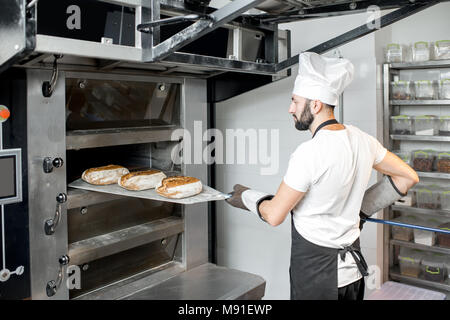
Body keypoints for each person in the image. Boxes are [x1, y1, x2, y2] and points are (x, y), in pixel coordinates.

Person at [225, 52, 419, 300]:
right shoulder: (362, 139)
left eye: (295, 101)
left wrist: (246, 197)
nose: (290, 109)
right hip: (353, 276)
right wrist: (359, 211)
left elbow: (274, 215)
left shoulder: (309, 153)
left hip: (316, 280)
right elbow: (408, 177)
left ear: (315, 105)